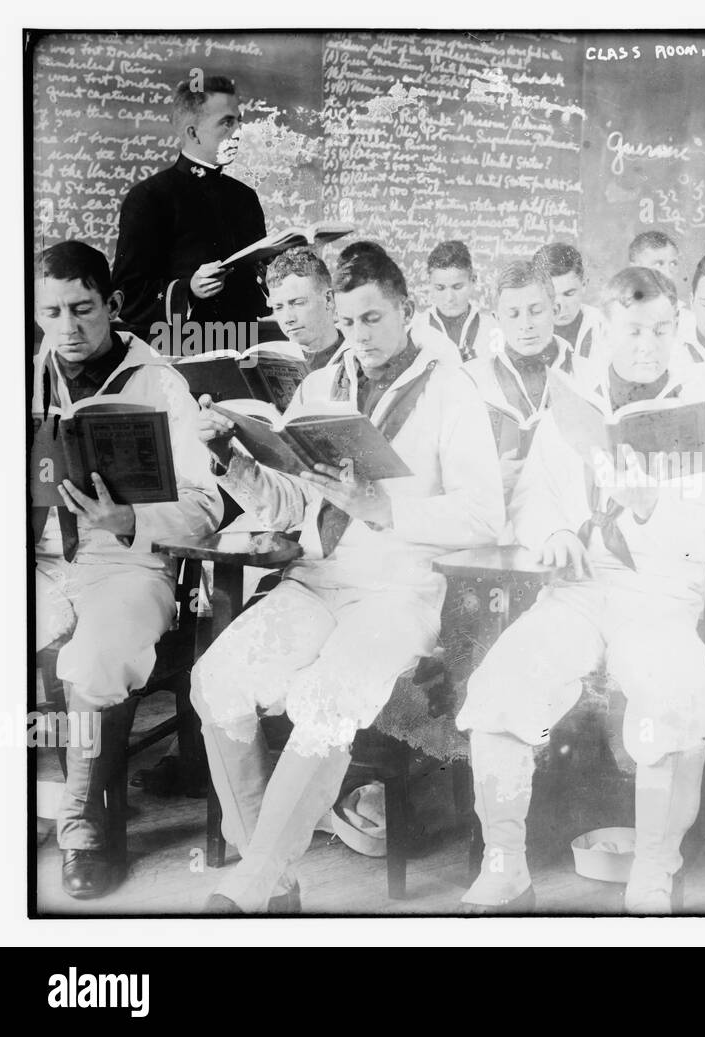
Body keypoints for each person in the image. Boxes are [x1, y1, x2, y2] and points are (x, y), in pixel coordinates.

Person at [189, 243, 504, 913]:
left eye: (374, 320)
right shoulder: (319, 387)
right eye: (350, 320)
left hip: (397, 592)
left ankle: (249, 886)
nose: (359, 337)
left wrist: (382, 506)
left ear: (407, 310)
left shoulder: (451, 388)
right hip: (318, 579)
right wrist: (231, 460)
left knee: (327, 698)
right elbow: (292, 504)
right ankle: (269, 878)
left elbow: (484, 515)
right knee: (216, 682)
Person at [455, 266, 705, 914]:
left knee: (672, 693)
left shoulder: (702, 400)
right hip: (579, 587)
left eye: (663, 328)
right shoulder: (573, 395)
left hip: (660, 593)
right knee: (502, 684)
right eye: (634, 329)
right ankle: (505, 868)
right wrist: (552, 531)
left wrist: (648, 504)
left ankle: (651, 876)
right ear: (605, 326)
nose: (649, 343)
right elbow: (533, 498)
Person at [33, 241, 223, 898]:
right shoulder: (26, 374)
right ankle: (36, 793)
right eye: (50, 312)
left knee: (96, 654)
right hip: (44, 558)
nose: (67, 328)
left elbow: (206, 509)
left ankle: (84, 824)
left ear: (111, 304)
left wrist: (132, 519)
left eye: (82, 309)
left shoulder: (159, 383)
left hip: (130, 561)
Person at [112, 75, 268, 342]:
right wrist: (189, 290)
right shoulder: (149, 197)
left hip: (245, 346)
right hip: (178, 352)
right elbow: (127, 295)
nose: (239, 133)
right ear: (192, 132)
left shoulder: (245, 197)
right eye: (227, 123)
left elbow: (257, 285)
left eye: (239, 121)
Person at [464, 260, 582, 502]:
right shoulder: (470, 380)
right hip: (499, 521)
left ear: (555, 311)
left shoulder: (589, 373)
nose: (526, 324)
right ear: (497, 318)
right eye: (513, 314)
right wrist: (489, 480)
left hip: (570, 514)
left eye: (536, 311)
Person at [412, 240, 502, 363]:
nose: (449, 298)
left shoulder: (492, 328)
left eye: (457, 287)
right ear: (429, 284)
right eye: (440, 288)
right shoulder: (416, 329)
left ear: (473, 281)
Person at [264, 247, 345, 373]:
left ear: (328, 300)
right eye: (278, 307)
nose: (288, 318)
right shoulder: (268, 361)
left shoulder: (363, 357)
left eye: (298, 303)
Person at [533, 242, 604, 362]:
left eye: (569, 294)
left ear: (584, 285)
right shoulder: (522, 331)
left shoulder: (605, 325)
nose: (561, 306)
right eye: (551, 296)